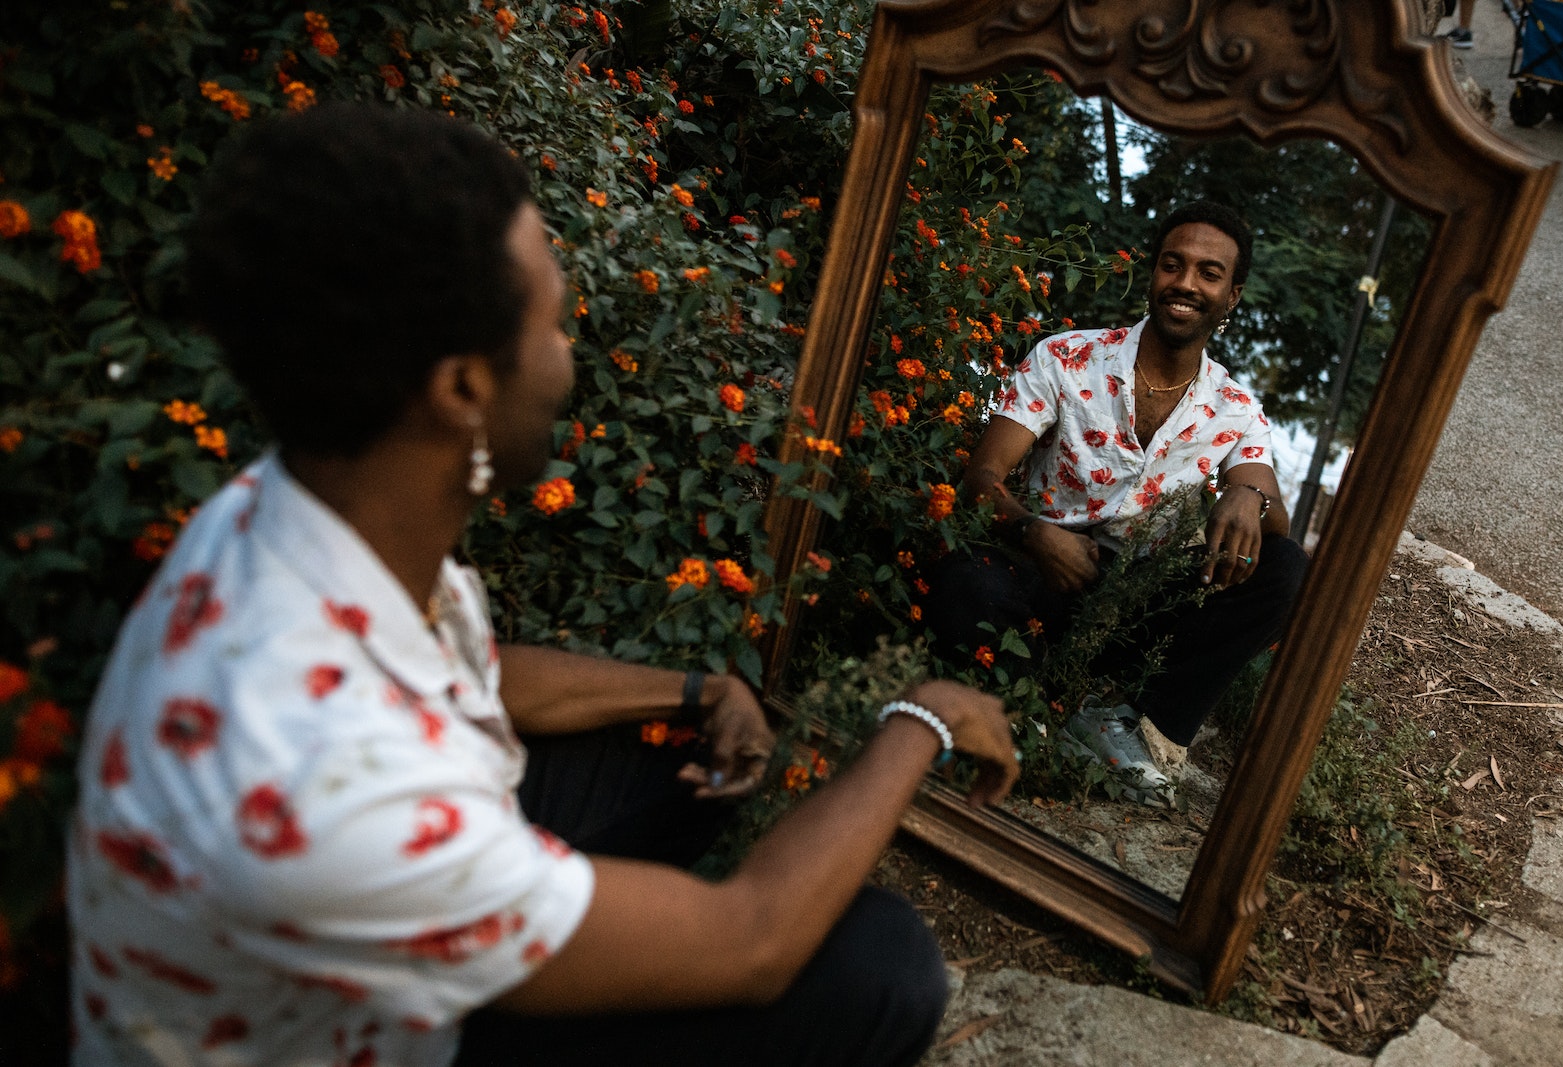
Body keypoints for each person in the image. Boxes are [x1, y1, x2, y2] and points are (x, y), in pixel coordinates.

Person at [66, 103, 1018, 1067]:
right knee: (875, 965)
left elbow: (461, 673)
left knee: (689, 757)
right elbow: (754, 942)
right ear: (462, 388)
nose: (571, 355)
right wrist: (923, 718)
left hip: (364, 938)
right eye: (555, 322)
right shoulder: (320, 779)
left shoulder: (295, 505)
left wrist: (701, 690)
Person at [925, 201, 1307, 801]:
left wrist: (1247, 492)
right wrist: (1033, 533)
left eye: (1209, 273)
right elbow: (981, 479)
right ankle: (1029, 722)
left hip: (1138, 607)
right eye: (1172, 265)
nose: (1185, 283)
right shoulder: (1067, 358)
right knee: (963, 581)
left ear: (1233, 295)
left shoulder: (1234, 407)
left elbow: (1275, 523)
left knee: (1286, 568)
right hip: (1041, 578)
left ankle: (1141, 728)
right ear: (1153, 274)